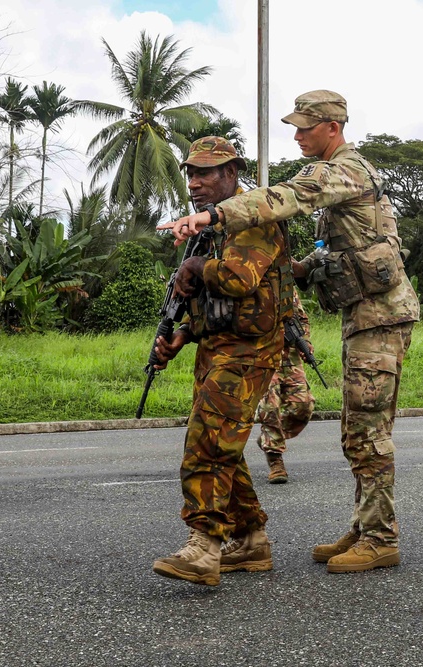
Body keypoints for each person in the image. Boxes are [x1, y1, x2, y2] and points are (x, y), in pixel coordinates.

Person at [161, 90, 420, 574]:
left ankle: (381, 537)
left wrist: (214, 215)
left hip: (381, 316)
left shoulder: (342, 169)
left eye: (305, 128)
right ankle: (368, 526)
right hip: (364, 315)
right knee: (355, 429)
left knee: (367, 430)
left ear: (333, 128)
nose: (297, 136)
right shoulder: (343, 175)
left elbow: (284, 197)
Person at [150, 136, 288, 586]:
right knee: (222, 443)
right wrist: (182, 336)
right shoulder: (213, 230)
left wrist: (196, 270)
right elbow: (215, 306)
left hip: (248, 352)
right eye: (190, 173)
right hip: (217, 348)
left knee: (208, 443)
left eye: (205, 173)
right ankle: (250, 540)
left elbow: (238, 279)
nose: (195, 182)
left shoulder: (254, 219)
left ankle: (204, 546)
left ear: (232, 173)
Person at [255, 289, 316, 484]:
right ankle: (275, 459)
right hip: (262, 356)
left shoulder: (286, 285)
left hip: (290, 355)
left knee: (303, 406)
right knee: (269, 407)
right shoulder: (249, 281)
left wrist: (305, 343)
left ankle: (269, 438)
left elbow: (301, 318)